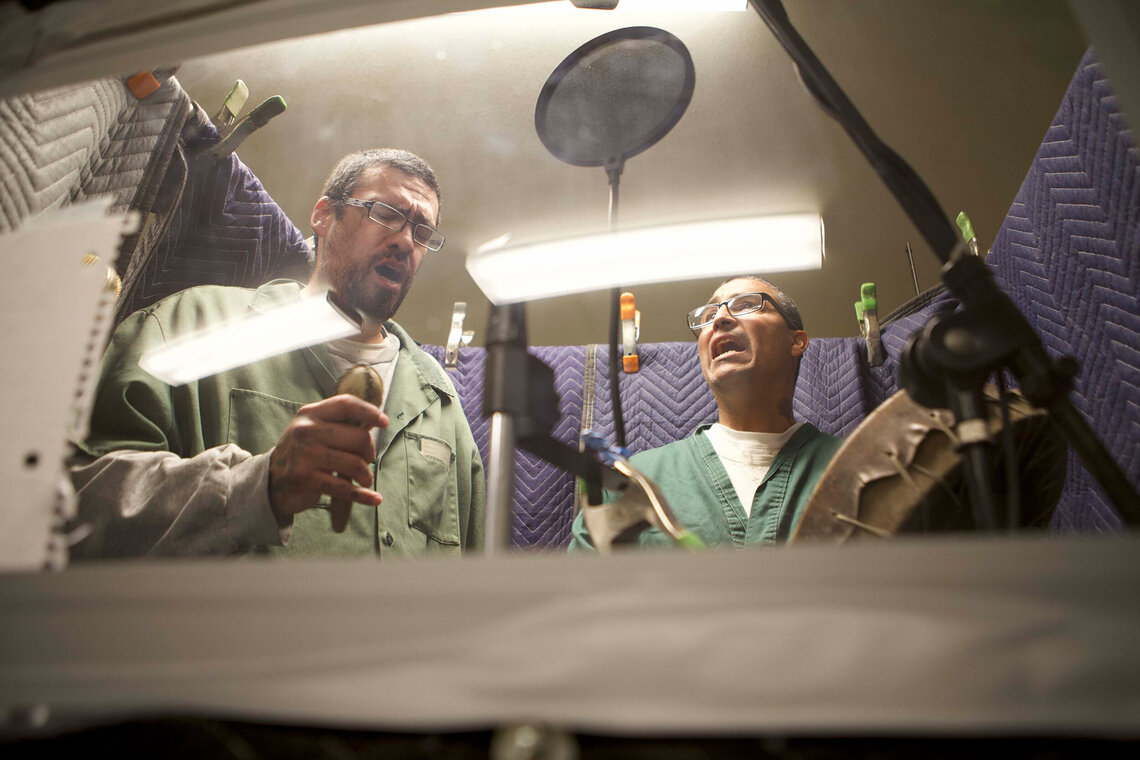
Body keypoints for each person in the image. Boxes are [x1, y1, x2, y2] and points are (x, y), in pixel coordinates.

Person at [70, 148, 485, 559]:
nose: (405, 240)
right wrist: (256, 486)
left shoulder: (440, 400)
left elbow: (473, 577)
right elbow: (80, 504)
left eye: (422, 232)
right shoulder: (192, 325)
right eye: (386, 214)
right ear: (324, 215)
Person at [569, 276, 842, 550]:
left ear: (797, 341)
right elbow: (579, 587)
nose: (720, 318)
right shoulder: (630, 483)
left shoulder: (857, 468)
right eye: (710, 314)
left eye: (746, 305)